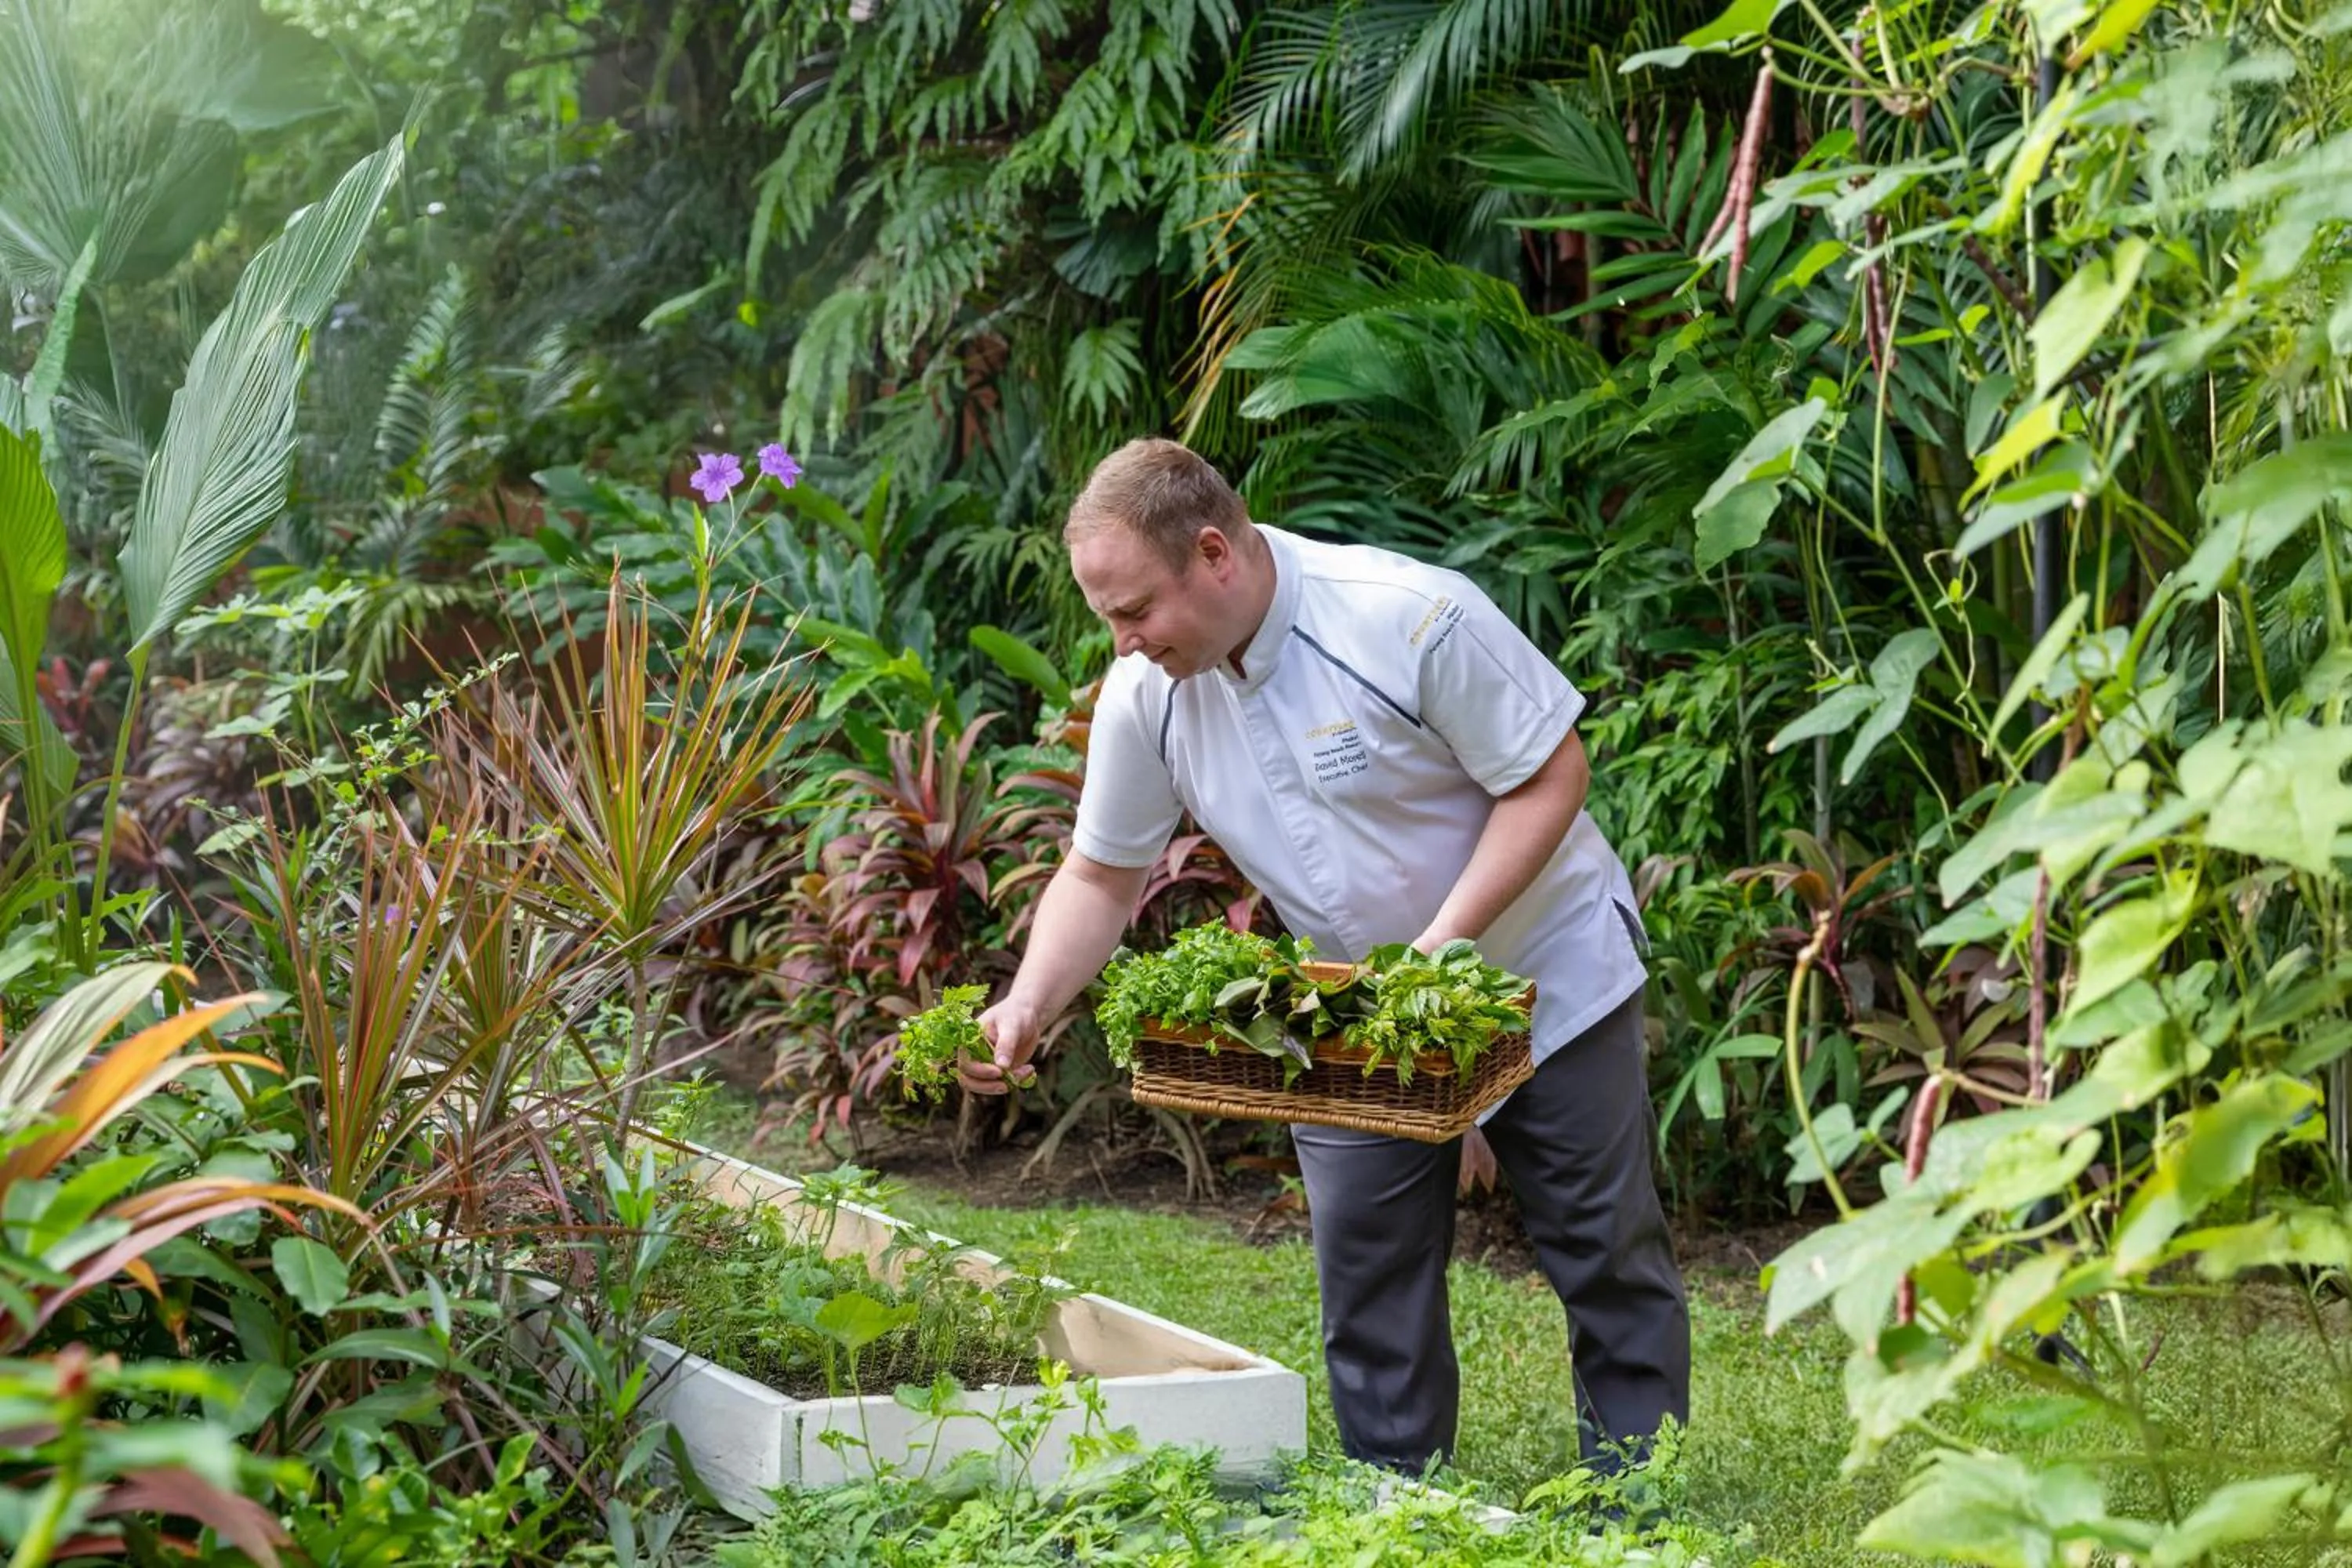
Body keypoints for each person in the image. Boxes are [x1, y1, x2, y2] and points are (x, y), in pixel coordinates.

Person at [959, 437, 1690, 1479]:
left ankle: (1637, 1511)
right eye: (1106, 617)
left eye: (1134, 611)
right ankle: (1396, 1511)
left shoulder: (1406, 616)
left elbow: (1548, 776)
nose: (1121, 643)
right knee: (1367, 1278)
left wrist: (1438, 956)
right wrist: (1027, 1002)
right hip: (1352, 1011)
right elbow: (1102, 876)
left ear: (1214, 553)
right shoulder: (1148, 694)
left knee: (1604, 1256)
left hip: (1544, 971)